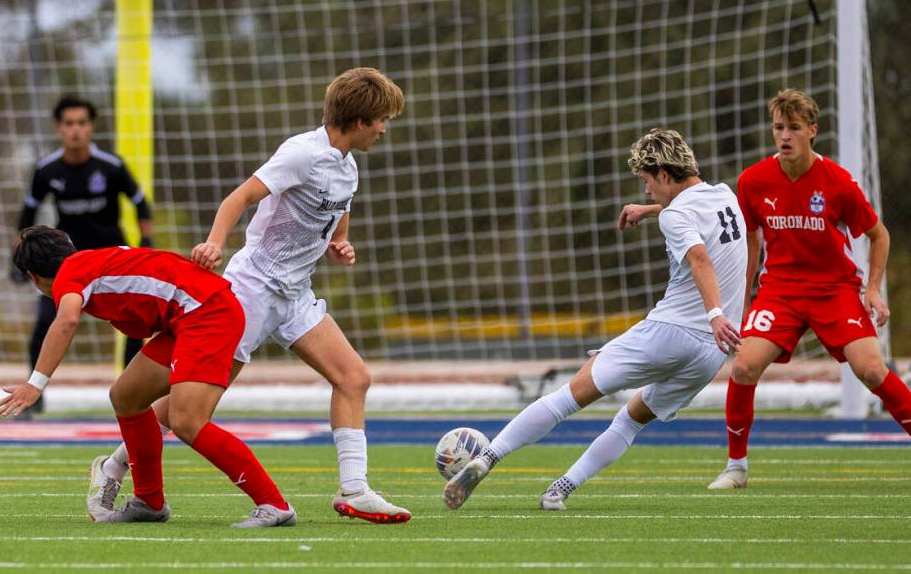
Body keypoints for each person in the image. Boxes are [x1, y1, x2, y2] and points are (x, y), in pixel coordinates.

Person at [87, 67, 411, 524]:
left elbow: (337, 215)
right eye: (382, 120)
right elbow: (237, 198)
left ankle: (354, 490)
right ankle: (116, 464)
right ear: (360, 120)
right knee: (191, 408)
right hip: (249, 292)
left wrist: (341, 243)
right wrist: (216, 243)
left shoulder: (348, 165)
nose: (383, 129)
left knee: (353, 377)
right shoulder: (301, 152)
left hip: (295, 295)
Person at [443, 128, 747, 511]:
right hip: (709, 353)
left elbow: (698, 256)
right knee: (631, 420)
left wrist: (715, 313)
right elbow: (693, 214)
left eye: (647, 182)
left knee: (566, 398)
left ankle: (487, 458)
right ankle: (560, 490)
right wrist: (651, 211)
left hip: (671, 331)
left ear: (665, 176)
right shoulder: (725, 196)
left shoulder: (675, 216)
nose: (646, 191)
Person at [0, 226, 295, 528]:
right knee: (126, 396)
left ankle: (273, 503)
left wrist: (36, 384)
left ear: (33, 277)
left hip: (206, 313)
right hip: (191, 315)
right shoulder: (88, 263)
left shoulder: (69, 276)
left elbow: (67, 320)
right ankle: (149, 502)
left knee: (187, 421)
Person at [708, 89, 911, 489]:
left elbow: (879, 234)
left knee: (870, 369)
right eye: (778, 128)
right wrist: (741, 298)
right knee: (745, 366)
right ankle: (736, 467)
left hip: (834, 290)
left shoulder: (837, 182)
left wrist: (872, 290)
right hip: (780, 291)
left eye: (794, 128)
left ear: (812, 131)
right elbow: (751, 242)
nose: (784, 136)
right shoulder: (752, 181)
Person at [15, 95, 152, 415]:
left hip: (111, 264)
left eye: (81, 123)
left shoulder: (112, 166)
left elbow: (141, 204)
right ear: (59, 128)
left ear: (90, 127)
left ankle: (132, 391)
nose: (75, 130)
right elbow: (26, 215)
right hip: (62, 264)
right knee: (45, 323)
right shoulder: (46, 170)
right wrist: (20, 257)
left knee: (138, 324)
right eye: (69, 124)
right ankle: (35, 400)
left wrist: (146, 241)